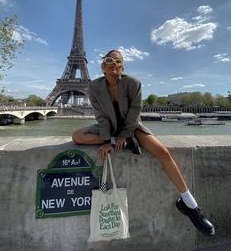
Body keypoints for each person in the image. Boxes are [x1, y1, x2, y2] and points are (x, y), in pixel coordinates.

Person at [72, 49, 215, 236]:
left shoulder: (134, 83)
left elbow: (135, 112)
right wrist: (108, 140)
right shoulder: (94, 87)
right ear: (103, 66)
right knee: (76, 135)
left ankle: (191, 205)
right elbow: (101, 117)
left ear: (122, 66)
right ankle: (116, 139)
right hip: (110, 129)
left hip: (132, 128)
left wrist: (125, 134)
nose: (114, 63)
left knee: (163, 152)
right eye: (109, 60)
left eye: (118, 61)